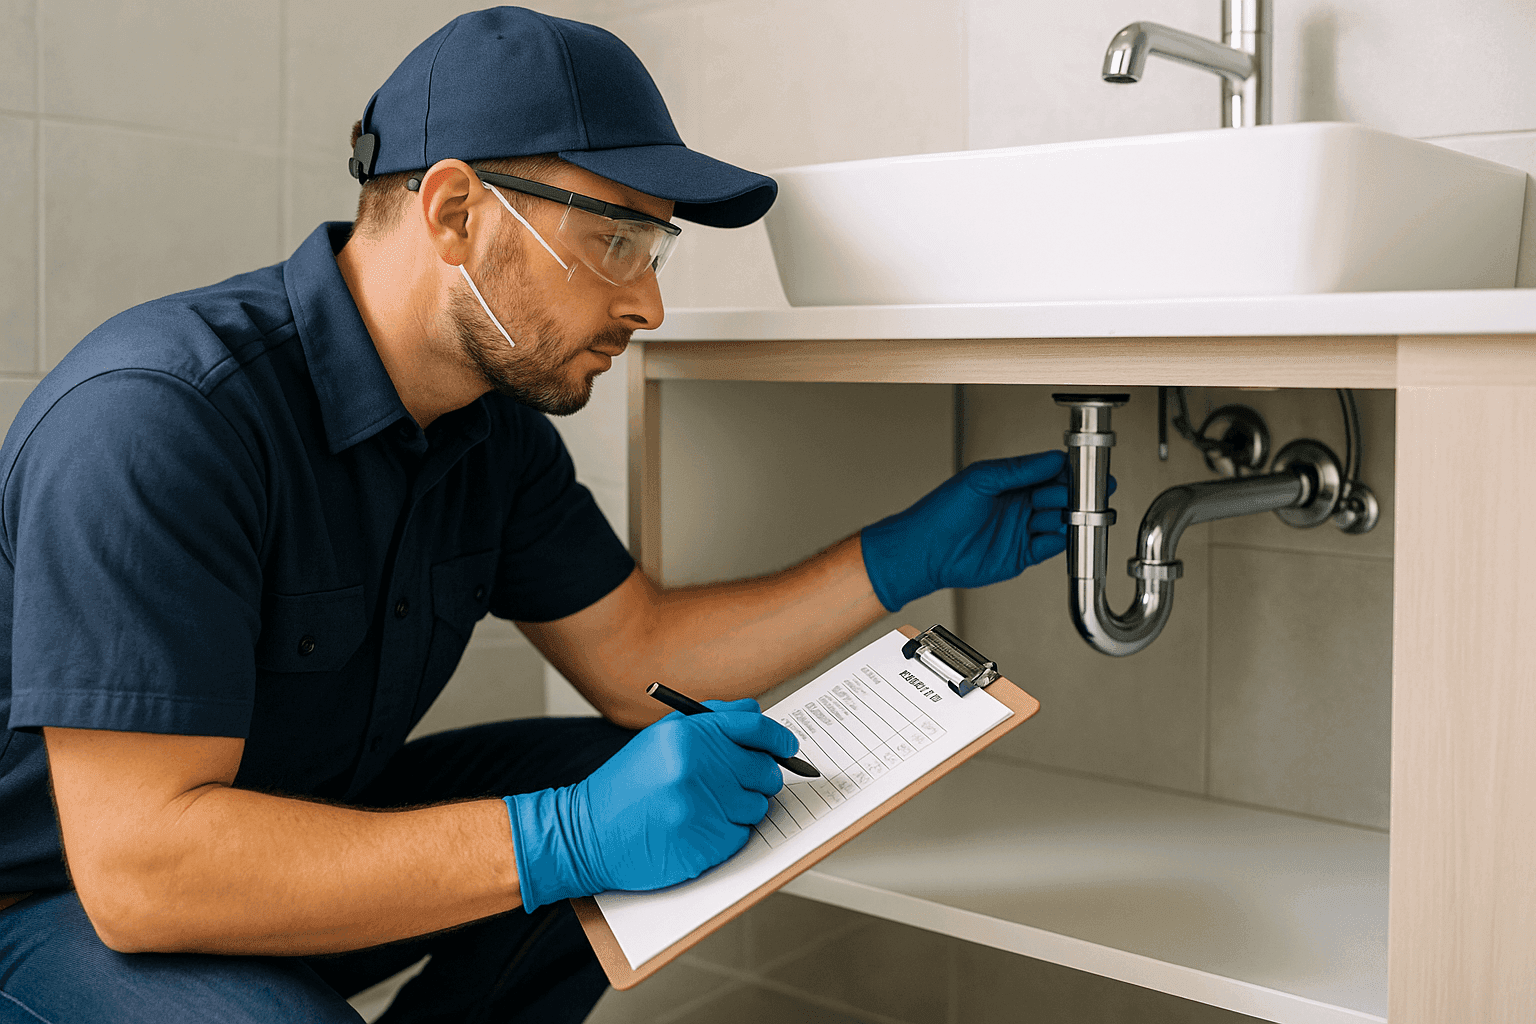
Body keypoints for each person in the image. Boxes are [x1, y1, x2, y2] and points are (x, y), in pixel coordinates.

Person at [0, 7, 1070, 1022]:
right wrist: (564, 838)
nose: (649, 303)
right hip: (55, 904)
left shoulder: (489, 434)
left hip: (281, 843)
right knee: (576, 816)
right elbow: (144, 872)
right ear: (457, 213)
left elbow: (640, 653)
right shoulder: (161, 420)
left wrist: (904, 553)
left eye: (658, 252)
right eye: (618, 241)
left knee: (603, 768)